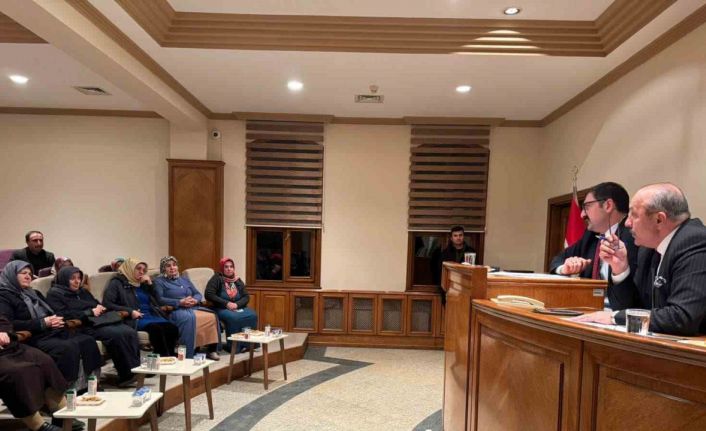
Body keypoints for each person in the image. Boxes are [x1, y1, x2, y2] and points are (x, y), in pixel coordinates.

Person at [573, 183, 706, 335]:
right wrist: (620, 270)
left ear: (659, 220)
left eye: (634, 215)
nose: (627, 223)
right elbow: (633, 307)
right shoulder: (647, 249)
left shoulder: (695, 241)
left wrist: (614, 317)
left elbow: (682, 317)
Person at [0, 261, 102, 386]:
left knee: (87, 340)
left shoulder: (34, 293)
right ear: (11, 274)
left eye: (30, 274)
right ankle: (66, 388)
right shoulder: (4, 296)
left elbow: (52, 311)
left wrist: (55, 319)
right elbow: (9, 324)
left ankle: (91, 384)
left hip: (50, 331)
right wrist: (42, 323)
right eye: (23, 273)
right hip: (31, 337)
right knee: (67, 347)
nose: (28, 276)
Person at [46, 266, 141, 387]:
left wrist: (99, 307)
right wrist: (89, 312)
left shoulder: (82, 291)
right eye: (72, 278)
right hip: (82, 325)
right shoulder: (55, 294)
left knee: (129, 331)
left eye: (79, 278)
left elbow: (95, 303)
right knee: (117, 334)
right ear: (64, 279)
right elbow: (62, 314)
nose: (77, 281)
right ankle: (127, 374)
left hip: (98, 321)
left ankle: (136, 369)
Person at [550, 183, 638, 289]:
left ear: (608, 205)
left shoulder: (636, 235)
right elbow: (558, 259)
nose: (582, 215)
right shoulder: (590, 236)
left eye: (587, 206)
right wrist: (565, 268)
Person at [0, 315, 70, 431]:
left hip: (11, 347)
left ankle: (62, 416)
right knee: (16, 372)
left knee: (44, 361)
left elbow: (4, 321)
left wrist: (3, 332)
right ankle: (38, 426)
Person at [102, 258, 179, 357]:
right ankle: (162, 358)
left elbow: (157, 301)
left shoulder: (141, 283)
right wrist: (130, 311)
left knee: (172, 328)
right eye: (138, 268)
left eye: (144, 270)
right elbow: (107, 304)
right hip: (133, 318)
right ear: (130, 268)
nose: (141, 272)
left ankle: (170, 357)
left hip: (150, 315)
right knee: (156, 330)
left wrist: (150, 285)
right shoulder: (117, 283)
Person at [153, 256, 221, 359]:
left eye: (174, 265)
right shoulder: (159, 281)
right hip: (174, 309)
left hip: (192, 307)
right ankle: (188, 351)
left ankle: (211, 349)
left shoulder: (184, 279)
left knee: (211, 316)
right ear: (163, 268)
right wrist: (179, 302)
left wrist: (195, 300)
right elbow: (159, 299)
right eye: (168, 266)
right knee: (189, 318)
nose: (172, 268)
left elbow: (197, 293)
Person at [205, 257, 258, 352]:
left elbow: (246, 296)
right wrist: (226, 303)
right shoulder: (216, 278)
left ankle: (248, 345)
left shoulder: (237, 280)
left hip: (237, 306)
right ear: (222, 268)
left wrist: (237, 305)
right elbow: (209, 294)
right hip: (221, 308)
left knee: (252, 315)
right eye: (226, 267)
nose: (229, 269)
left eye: (231, 267)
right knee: (234, 318)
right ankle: (234, 347)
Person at [433, 226, 476, 304]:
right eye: (455, 236)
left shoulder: (471, 252)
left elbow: (475, 270)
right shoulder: (445, 253)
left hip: (466, 289)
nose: (458, 238)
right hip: (449, 290)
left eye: (460, 235)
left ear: (463, 236)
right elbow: (439, 272)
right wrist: (443, 289)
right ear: (451, 238)